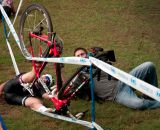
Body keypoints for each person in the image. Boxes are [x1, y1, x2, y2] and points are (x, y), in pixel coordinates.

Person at [74, 47, 160, 110]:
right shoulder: (79, 76)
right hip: (116, 94)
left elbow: (115, 72)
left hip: (124, 81)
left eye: (82, 54)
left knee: (149, 65)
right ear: (74, 59)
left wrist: (99, 62)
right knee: (139, 104)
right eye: (78, 56)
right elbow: (69, 89)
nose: (81, 57)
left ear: (87, 54)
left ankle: (150, 96)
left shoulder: (98, 63)